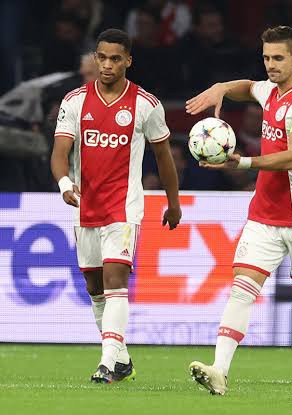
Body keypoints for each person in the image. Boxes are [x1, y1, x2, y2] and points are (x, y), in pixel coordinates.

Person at [185, 25, 292, 397]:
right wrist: (222, 88)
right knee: (241, 288)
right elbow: (249, 87)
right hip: (265, 215)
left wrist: (242, 163)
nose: (271, 65)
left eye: (278, 58)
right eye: (267, 58)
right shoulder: (270, 90)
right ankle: (220, 370)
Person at [49, 28, 181, 383]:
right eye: (102, 58)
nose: (107, 65)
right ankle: (121, 360)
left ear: (128, 61)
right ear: (96, 58)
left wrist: (173, 203)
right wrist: (64, 184)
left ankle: (107, 363)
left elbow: (163, 157)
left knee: (115, 279)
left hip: (124, 208)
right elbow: (60, 153)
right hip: (85, 207)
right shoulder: (75, 101)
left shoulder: (146, 104)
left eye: (115, 59)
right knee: (95, 287)